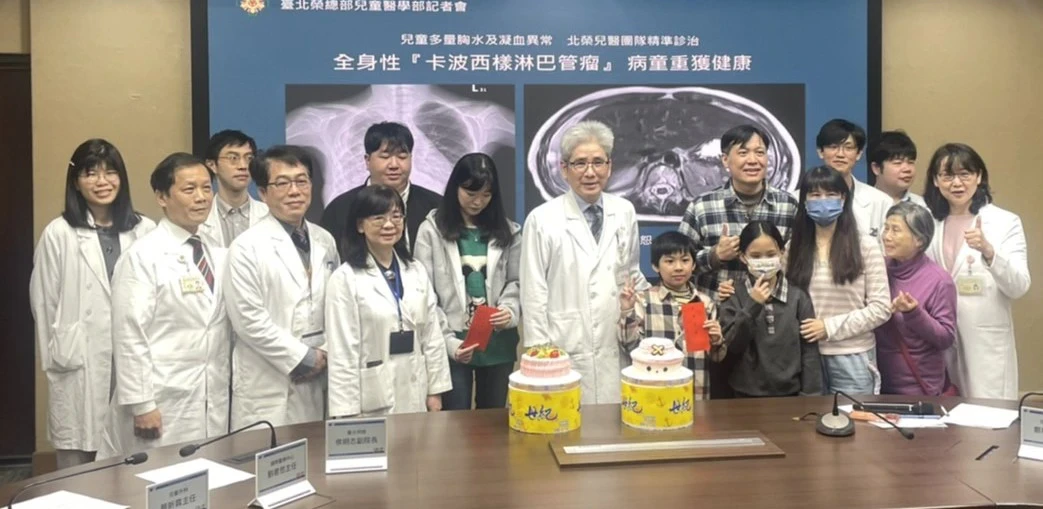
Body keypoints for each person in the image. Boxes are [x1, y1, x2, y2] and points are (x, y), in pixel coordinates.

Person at [29, 139, 155, 469]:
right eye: (91, 174)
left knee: (136, 459)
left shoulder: (145, 230)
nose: (102, 182)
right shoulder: (59, 233)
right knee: (79, 460)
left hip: (132, 357)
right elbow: (43, 303)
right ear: (75, 182)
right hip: (80, 360)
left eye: (110, 172)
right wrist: (59, 355)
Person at [100, 153, 230, 458]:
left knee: (208, 473)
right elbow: (129, 333)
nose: (201, 198)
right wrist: (142, 404)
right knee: (156, 478)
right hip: (161, 398)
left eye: (206, 188)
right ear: (162, 197)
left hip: (209, 393)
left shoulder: (215, 251)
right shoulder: (143, 255)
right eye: (189, 189)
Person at [520, 120, 647, 405]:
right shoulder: (542, 219)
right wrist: (540, 352)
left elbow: (632, 273)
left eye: (598, 162)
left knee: (614, 423)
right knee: (566, 422)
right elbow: (533, 291)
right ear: (564, 169)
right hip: (564, 343)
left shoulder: (624, 211)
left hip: (615, 342)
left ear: (609, 166)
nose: (590, 172)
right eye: (580, 163)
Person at [225, 145, 339, 427]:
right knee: (268, 451)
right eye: (283, 183)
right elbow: (248, 320)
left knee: (316, 448)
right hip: (269, 382)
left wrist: (325, 352)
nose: (295, 191)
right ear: (263, 193)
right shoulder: (246, 247)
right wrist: (303, 357)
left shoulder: (325, 240)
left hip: (321, 373)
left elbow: (338, 306)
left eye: (302, 181)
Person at [326, 186, 452, 417]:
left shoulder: (416, 270)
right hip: (370, 398)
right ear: (360, 225)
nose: (388, 224)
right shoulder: (345, 278)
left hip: (415, 389)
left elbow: (431, 335)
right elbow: (343, 351)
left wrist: (436, 391)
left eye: (396, 216)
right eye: (378, 217)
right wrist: (347, 413)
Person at [414, 153, 521, 410]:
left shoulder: (509, 231)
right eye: (471, 193)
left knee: (493, 421)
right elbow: (424, 293)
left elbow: (517, 281)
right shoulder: (431, 230)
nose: (478, 202)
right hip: (452, 340)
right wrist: (450, 343)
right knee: (455, 421)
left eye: (486, 195)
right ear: (455, 188)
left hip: (497, 343)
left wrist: (509, 311)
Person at [923, 143, 1030, 399]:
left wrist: (989, 251)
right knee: (944, 412)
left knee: (989, 413)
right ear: (936, 181)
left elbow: (1019, 286)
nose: (956, 183)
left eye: (965, 174)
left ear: (979, 177)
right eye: (947, 176)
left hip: (985, 340)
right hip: (939, 337)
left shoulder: (1005, 222)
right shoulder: (927, 222)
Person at [786, 166, 890, 395]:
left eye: (831, 194)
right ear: (804, 201)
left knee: (854, 417)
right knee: (807, 417)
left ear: (843, 198)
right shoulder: (793, 247)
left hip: (852, 357)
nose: (823, 201)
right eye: (815, 195)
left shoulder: (865, 246)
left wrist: (828, 327)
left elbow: (881, 308)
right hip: (805, 357)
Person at [679, 124, 799, 298]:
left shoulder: (788, 206)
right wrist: (715, 255)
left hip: (773, 309)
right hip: (716, 310)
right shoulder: (701, 207)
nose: (753, 160)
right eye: (743, 153)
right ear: (725, 160)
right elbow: (678, 265)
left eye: (760, 152)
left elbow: (799, 263)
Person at [716, 221, 822, 398]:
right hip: (744, 394)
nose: (764, 261)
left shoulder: (798, 297)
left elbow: (809, 352)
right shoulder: (733, 294)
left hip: (791, 393)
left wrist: (811, 396)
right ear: (743, 257)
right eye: (755, 256)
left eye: (771, 254)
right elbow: (732, 346)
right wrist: (753, 305)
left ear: (782, 252)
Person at [619, 232, 722, 401]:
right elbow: (630, 346)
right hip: (654, 393)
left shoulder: (705, 303)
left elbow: (716, 357)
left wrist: (717, 341)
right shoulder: (644, 300)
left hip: (695, 393)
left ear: (693, 265)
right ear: (655, 266)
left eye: (685, 260)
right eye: (669, 261)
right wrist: (627, 311)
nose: (678, 267)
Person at [321, 121, 442, 253]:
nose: (394, 165)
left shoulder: (437, 207)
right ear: (367, 160)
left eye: (402, 156)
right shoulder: (340, 209)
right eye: (385, 156)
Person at [875, 202, 957, 396]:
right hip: (875, 382)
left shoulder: (939, 280)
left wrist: (913, 313)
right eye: (886, 228)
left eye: (896, 230)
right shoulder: (877, 269)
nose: (887, 236)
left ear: (919, 240)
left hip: (917, 386)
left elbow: (945, 338)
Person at [812, 119, 894, 239]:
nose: (840, 154)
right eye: (833, 147)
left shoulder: (881, 202)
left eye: (848, 148)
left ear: (859, 154)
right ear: (820, 151)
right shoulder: (797, 199)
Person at [199, 129, 269, 247]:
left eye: (249, 158)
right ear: (212, 165)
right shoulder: (198, 218)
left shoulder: (270, 214)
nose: (243, 166)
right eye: (233, 158)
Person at [869, 130, 926, 207]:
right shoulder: (860, 204)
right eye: (898, 163)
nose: (907, 169)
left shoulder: (923, 206)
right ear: (876, 168)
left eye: (911, 162)